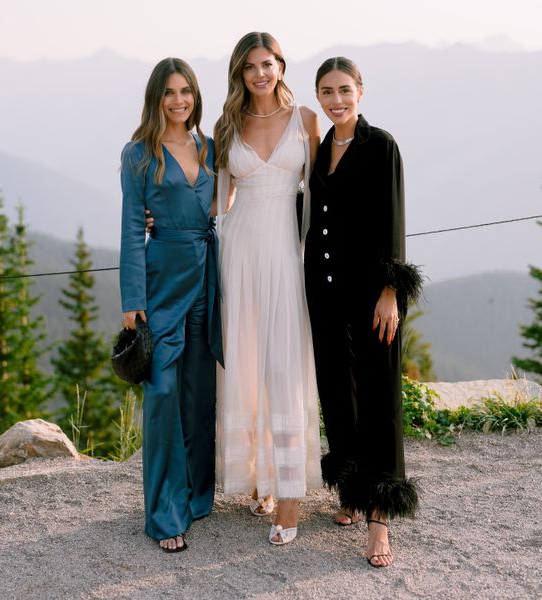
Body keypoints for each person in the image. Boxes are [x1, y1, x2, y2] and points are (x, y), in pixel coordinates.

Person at [304, 57, 423, 567]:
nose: (337, 100)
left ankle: (380, 518)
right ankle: (352, 493)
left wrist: (391, 291)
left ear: (361, 91)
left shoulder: (381, 146)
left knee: (380, 400)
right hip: (324, 292)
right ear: (318, 96)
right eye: (327, 92)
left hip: (371, 295)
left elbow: (392, 218)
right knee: (338, 394)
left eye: (345, 90)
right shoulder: (322, 146)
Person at [214, 32, 323, 545]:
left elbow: (325, 194)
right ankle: (260, 478)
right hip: (238, 254)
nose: (260, 73)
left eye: (268, 63)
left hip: (286, 255)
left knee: (283, 368)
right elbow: (213, 202)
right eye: (250, 66)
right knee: (248, 364)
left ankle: (291, 500)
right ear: (239, 73)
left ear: (281, 65)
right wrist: (156, 217)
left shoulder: (304, 120)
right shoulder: (227, 124)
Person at [119, 58, 222, 553]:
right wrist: (132, 303)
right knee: (162, 396)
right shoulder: (138, 154)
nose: (179, 100)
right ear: (156, 98)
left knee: (200, 396)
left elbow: (227, 203)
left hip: (207, 277)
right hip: (161, 284)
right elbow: (130, 232)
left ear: (195, 96)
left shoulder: (209, 147)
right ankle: (164, 513)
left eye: (186, 91)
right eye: (169, 93)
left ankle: (196, 497)